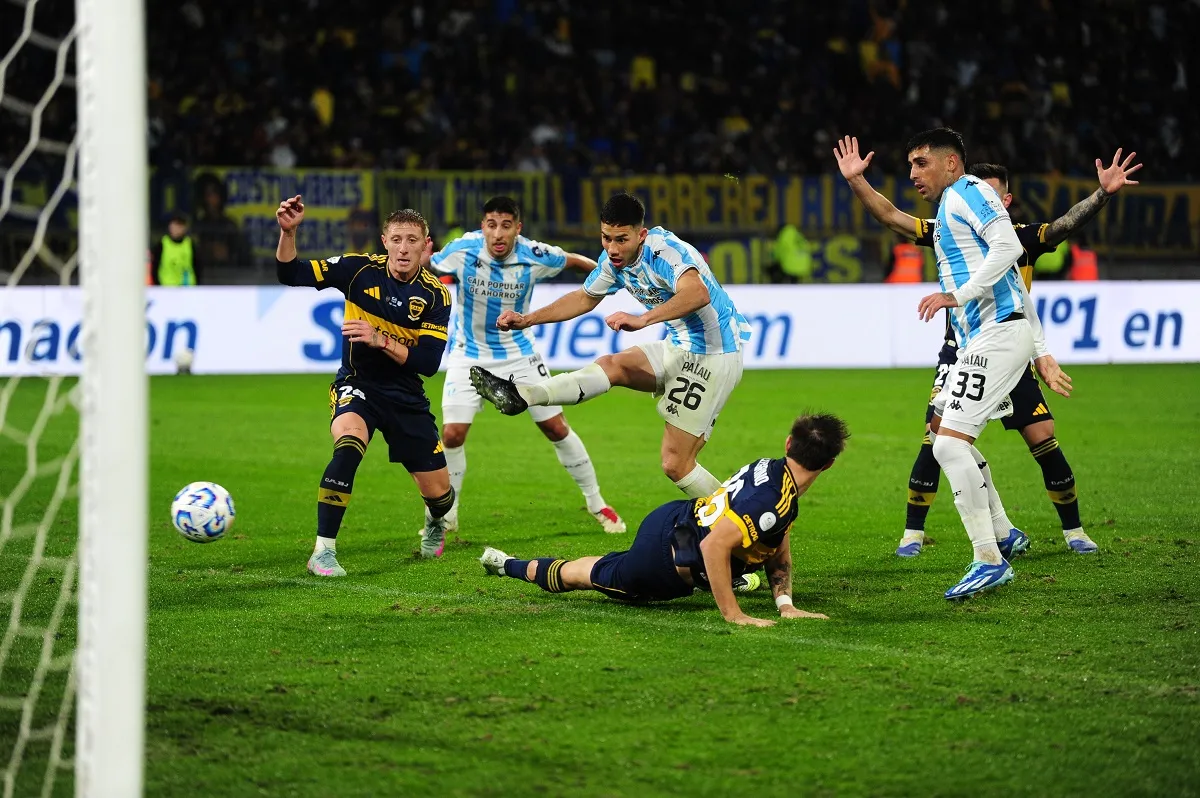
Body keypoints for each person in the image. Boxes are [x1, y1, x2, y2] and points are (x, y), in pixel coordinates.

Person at [834, 136, 1141, 559]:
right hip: (969, 345)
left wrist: (1102, 195)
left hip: (1001, 341)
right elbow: (890, 216)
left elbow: (1062, 227)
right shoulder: (947, 222)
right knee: (939, 437)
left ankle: (1050, 536)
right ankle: (928, 533)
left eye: (992, 195)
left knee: (1035, 437)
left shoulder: (1009, 229)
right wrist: (858, 182)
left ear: (1004, 200)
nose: (985, 202)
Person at [867, 128, 1072, 599]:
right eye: (911, 164)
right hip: (994, 334)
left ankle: (988, 558)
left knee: (948, 446)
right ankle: (1003, 533)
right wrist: (1040, 349)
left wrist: (954, 295)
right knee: (944, 436)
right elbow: (1017, 284)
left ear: (952, 164)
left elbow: (1010, 250)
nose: (913, 173)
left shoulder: (971, 191)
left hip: (997, 334)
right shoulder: (948, 211)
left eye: (921, 163)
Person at [470, 192, 752, 500]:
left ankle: (741, 525)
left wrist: (643, 319)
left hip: (715, 355)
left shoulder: (665, 252)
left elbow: (697, 293)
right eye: (606, 238)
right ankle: (523, 394)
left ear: (641, 235)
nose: (612, 249)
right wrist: (528, 319)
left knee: (676, 463)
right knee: (612, 366)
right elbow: (584, 298)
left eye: (621, 239)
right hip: (679, 346)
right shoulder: (613, 261)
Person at [478, 413, 850, 626]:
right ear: (830, 464)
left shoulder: (770, 470)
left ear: (788, 444)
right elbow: (714, 545)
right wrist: (735, 616)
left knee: (609, 565)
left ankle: (733, 580)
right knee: (590, 576)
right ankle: (507, 565)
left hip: (674, 518)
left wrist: (785, 604)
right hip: (664, 564)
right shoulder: (774, 503)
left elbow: (776, 541)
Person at [422, 196, 626, 535]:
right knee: (452, 434)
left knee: (556, 428)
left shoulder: (535, 254)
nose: (498, 234)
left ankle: (596, 503)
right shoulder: (463, 250)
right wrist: (422, 258)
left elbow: (574, 261)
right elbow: (430, 264)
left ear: (518, 228)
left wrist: (613, 274)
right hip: (469, 353)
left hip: (520, 354)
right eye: (491, 224)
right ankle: (448, 513)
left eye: (506, 225)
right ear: (483, 226)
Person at [274, 194, 455, 575]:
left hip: (406, 397)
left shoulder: (436, 295)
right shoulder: (357, 270)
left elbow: (428, 363)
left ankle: (435, 520)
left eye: (412, 240)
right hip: (358, 385)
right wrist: (288, 233)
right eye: (397, 239)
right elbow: (291, 274)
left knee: (440, 495)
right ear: (384, 241)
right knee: (348, 447)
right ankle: (323, 551)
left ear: (426, 247)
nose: (404, 249)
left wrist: (380, 339)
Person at [150, 214, 198, 285]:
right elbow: (155, 266)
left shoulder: (190, 244)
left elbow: (196, 266)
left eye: (179, 226)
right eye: (174, 225)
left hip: (187, 287)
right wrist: (157, 285)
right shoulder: (162, 244)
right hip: (166, 287)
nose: (176, 229)